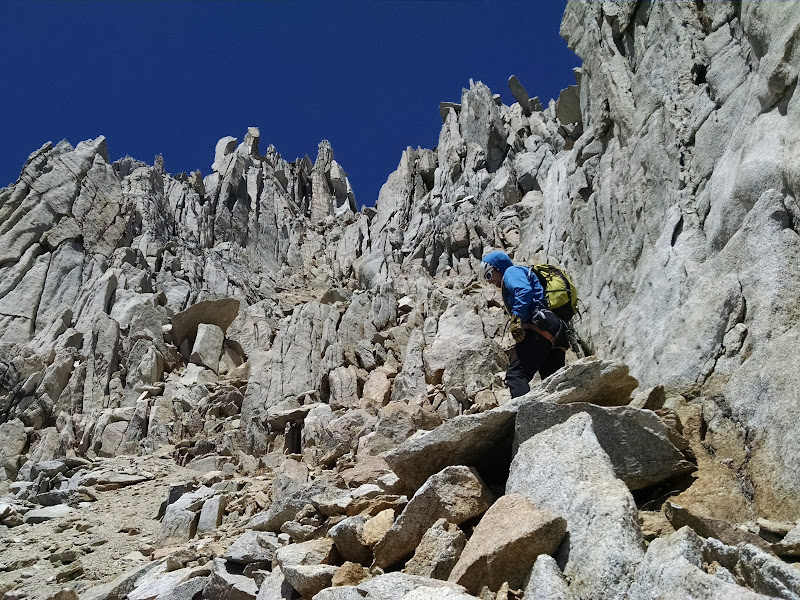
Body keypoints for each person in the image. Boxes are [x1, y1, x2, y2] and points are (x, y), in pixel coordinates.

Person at [481, 251, 568, 398]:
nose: (489, 281)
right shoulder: (520, 272)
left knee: (516, 375)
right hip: (557, 330)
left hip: (539, 326)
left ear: (498, 268)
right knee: (552, 380)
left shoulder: (510, 272)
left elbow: (524, 291)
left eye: (488, 275)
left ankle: (525, 417)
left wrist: (517, 317)